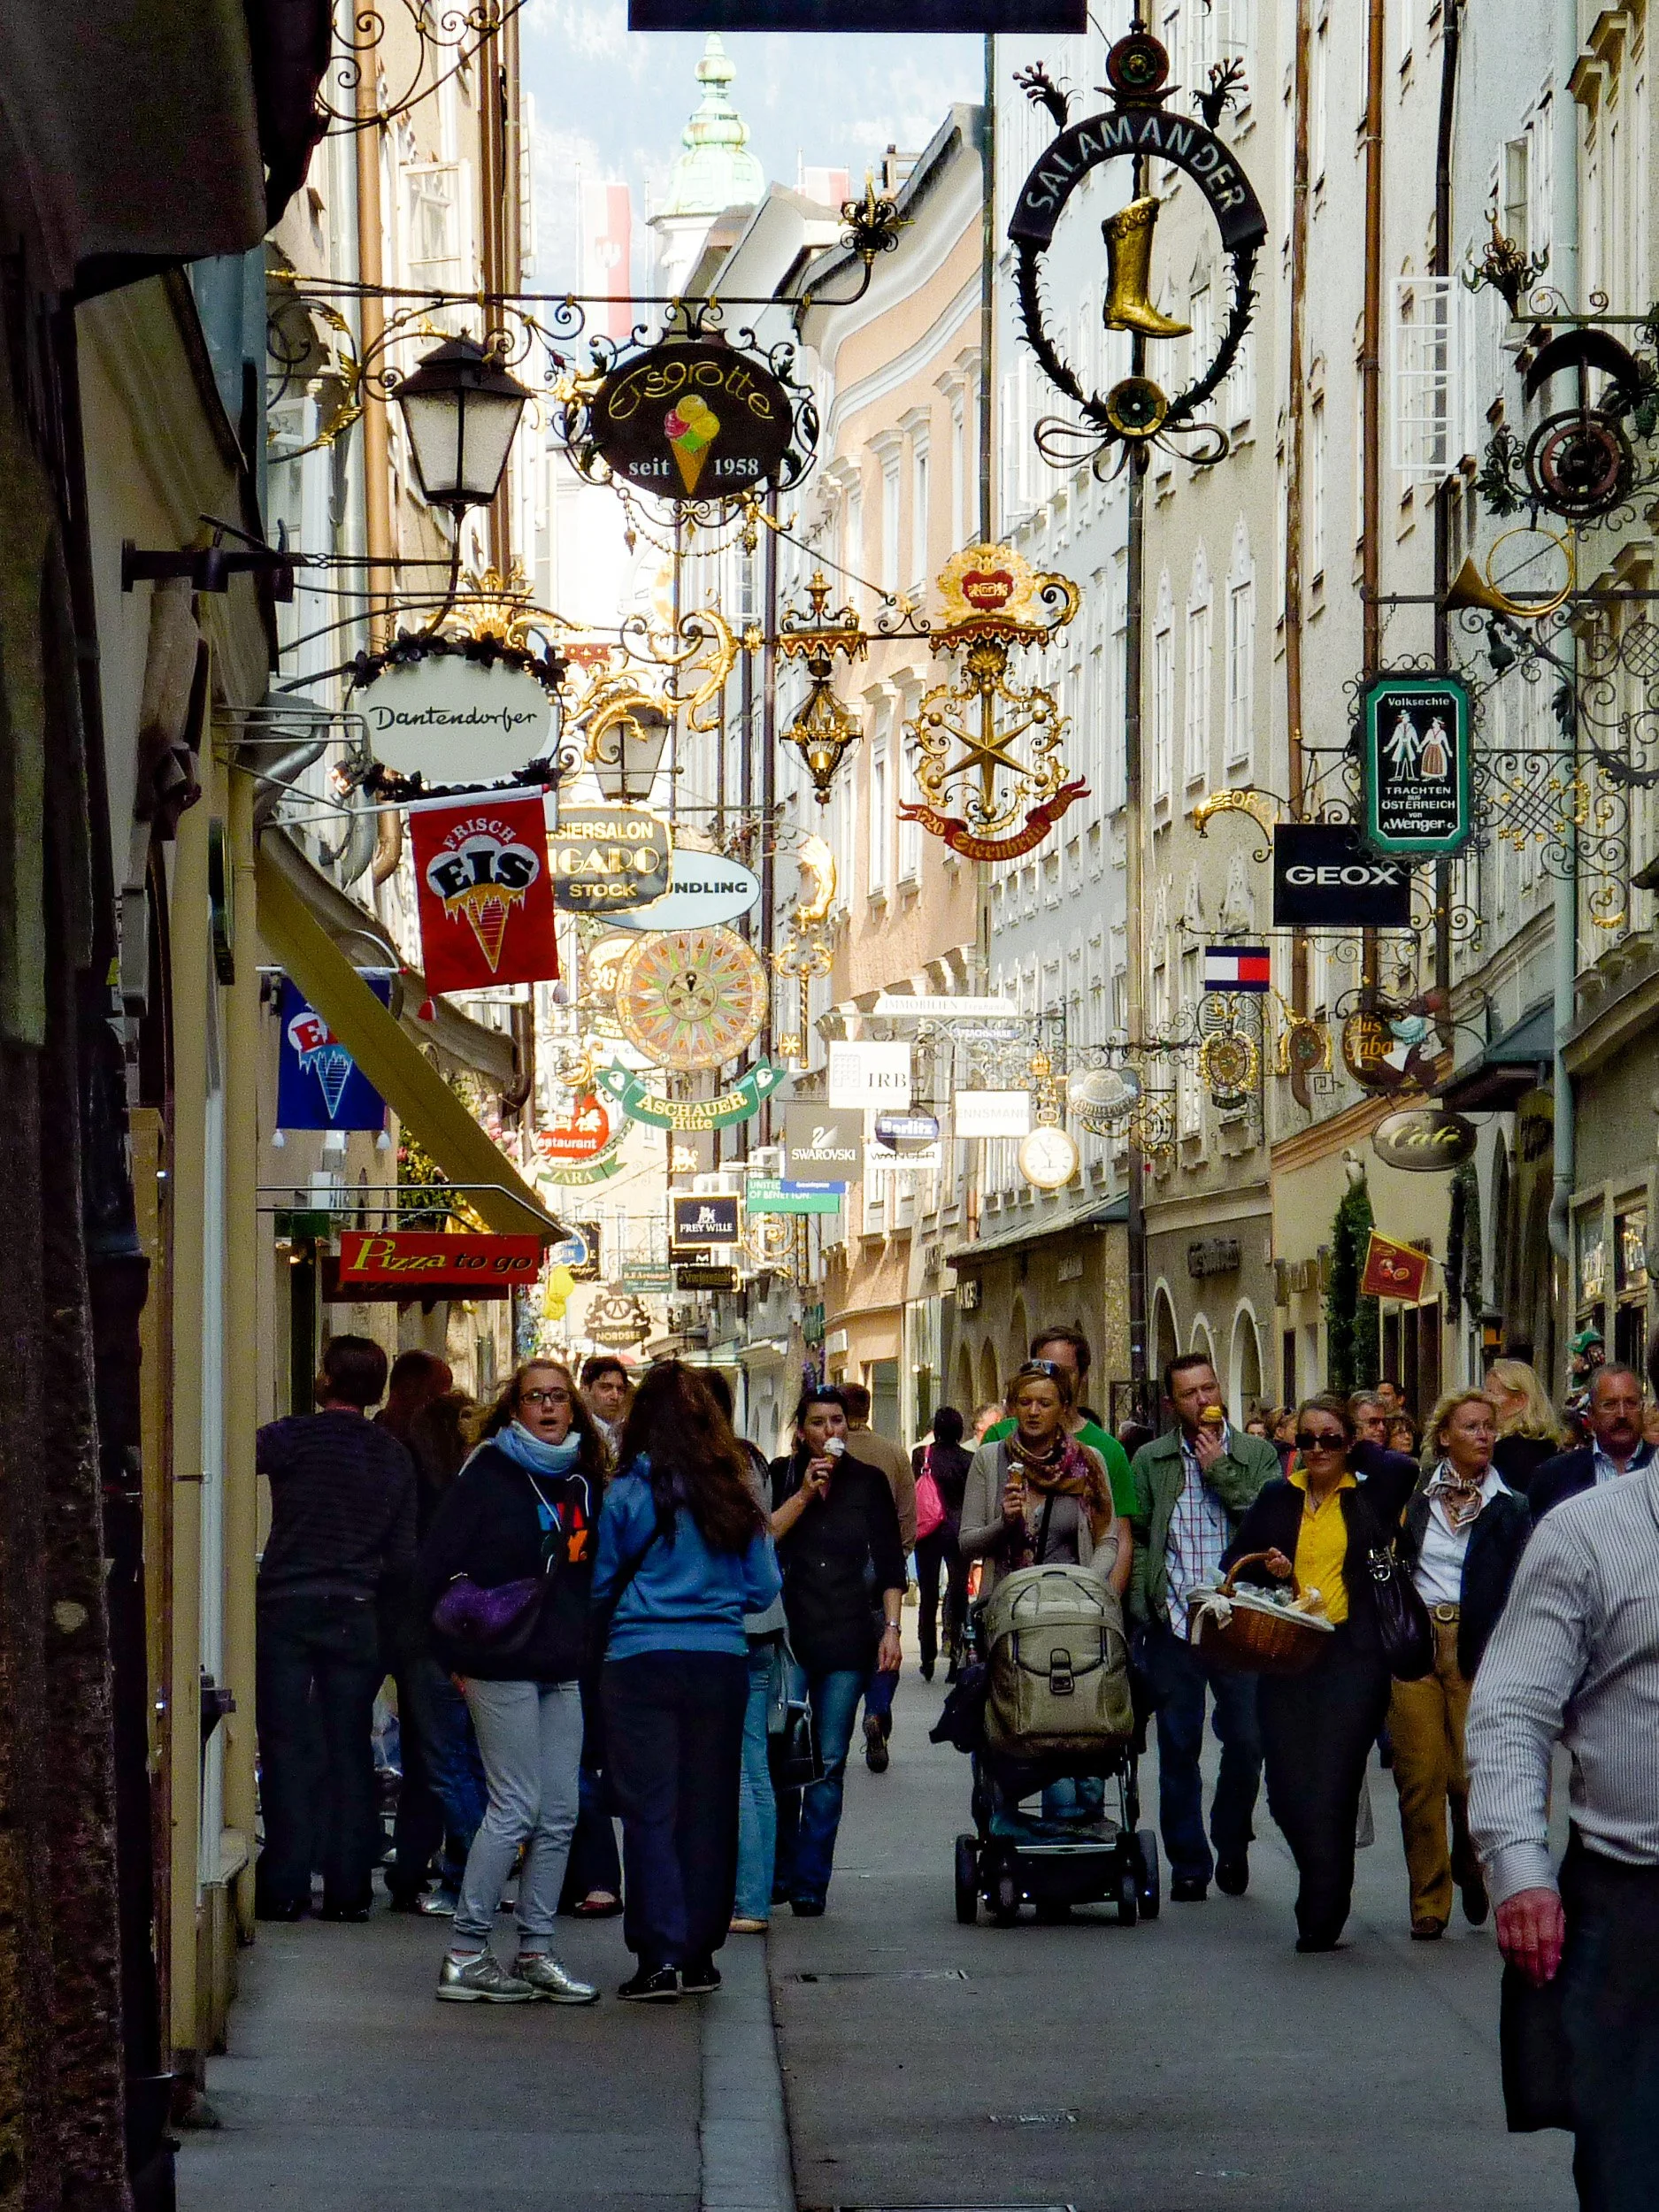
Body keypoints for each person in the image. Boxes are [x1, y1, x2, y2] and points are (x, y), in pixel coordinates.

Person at [1466, 1459, 1659, 2210]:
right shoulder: (1584, 1535)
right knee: (1630, 2163)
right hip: (1634, 1900)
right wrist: (1519, 1868)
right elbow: (1512, 1708)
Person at [417, 1360, 605, 2005]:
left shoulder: (582, 1478)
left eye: (558, 1398)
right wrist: (453, 1655)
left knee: (560, 1813)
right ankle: (466, 1952)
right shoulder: (489, 1474)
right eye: (534, 1399)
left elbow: (586, 1575)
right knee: (515, 1806)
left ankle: (535, 1951)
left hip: (559, 1662)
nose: (548, 1408)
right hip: (497, 1660)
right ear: (513, 1409)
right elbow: (436, 1567)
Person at [595, 1362, 781, 2001]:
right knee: (709, 1807)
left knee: (650, 1811)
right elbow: (763, 1589)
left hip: (638, 1662)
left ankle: (659, 1955)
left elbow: (600, 1585)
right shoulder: (732, 1491)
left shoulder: (622, 1494)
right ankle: (700, 1952)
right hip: (719, 1662)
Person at [1224, 1395, 1405, 1953]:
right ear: (1293, 1446)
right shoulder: (1280, 1497)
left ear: (1349, 1443)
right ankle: (1320, 1871)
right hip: (1289, 1654)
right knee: (1285, 1788)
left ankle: (1322, 1907)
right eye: (1307, 1440)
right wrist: (1278, 1574)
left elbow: (1406, 1466)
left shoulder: (1369, 1491)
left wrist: (1362, 1441)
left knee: (1333, 1783)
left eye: (1331, 1439)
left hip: (1353, 1657)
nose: (1318, 1450)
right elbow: (1241, 1564)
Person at [255, 1335, 417, 1923]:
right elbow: (403, 1556)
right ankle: (349, 1889)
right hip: (355, 1608)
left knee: (286, 1745)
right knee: (349, 1746)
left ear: (325, 1380)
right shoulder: (392, 1455)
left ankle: (286, 1882)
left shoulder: (292, 1436)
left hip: (288, 1604)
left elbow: (230, 1457)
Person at [1127, 1355, 1279, 1901]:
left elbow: (1267, 1523)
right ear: (1173, 1403)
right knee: (1177, 1744)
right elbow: (1140, 1535)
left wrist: (1220, 1470)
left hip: (1240, 1621)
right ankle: (1188, 1861)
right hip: (1175, 1620)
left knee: (1247, 1739)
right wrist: (1145, 1605)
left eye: (1208, 1387)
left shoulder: (1257, 1454)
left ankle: (1232, 1838)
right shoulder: (1152, 1459)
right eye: (1188, 1393)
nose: (1202, 1400)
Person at [1388, 1389, 1531, 1940]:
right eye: (1470, 1426)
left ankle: (1471, 1867)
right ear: (1444, 1436)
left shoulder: (1510, 1506)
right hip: (1417, 1640)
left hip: (1476, 1646)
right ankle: (1428, 1900)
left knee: (1470, 1781)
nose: (1483, 1436)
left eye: (1489, 1427)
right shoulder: (1415, 1494)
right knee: (1421, 1776)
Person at [769, 1386, 907, 1915]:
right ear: (801, 1431)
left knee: (827, 1763)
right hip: (789, 1638)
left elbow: (891, 1565)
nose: (831, 1432)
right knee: (781, 1757)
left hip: (848, 1637)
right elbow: (764, 1541)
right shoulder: (784, 1475)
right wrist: (803, 1493)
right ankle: (778, 1870)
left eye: (838, 1422)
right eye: (819, 1423)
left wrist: (892, 1630)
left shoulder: (868, 1483)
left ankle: (810, 1881)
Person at [388, 1388, 488, 1917]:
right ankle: (461, 1876)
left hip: (428, 1640)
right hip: (480, 1638)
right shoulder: (483, 1490)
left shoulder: (417, 1488)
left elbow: (408, 1567)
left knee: (443, 1763)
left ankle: (470, 1878)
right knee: (470, 1761)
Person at [703, 1368, 787, 1936]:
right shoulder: (751, 1459)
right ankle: (754, 1896)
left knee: (737, 1768)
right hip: (761, 1624)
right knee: (754, 1767)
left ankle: (745, 1897)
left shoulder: (710, 1470)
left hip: (730, 1624)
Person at [959, 1363, 1129, 1602]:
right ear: (1013, 1409)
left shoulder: (1088, 1462)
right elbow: (967, 1545)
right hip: (1008, 1610)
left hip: (1071, 1609)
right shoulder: (989, 1459)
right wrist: (1004, 1524)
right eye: (1025, 1402)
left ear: (1064, 1408)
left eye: (1045, 1404)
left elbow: (1107, 1540)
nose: (1034, 1412)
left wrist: (1084, 1587)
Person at [1527, 1363, 1654, 1517]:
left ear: (1643, 1409)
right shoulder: (1554, 1477)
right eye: (1610, 1405)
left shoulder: (1656, 1465)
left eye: (1630, 1403)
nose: (1622, 1414)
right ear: (1591, 1414)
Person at [913, 1406, 972, 1683]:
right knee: (958, 1591)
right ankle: (956, 1653)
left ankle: (927, 1655)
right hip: (958, 1531)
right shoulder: (968, 1459)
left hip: (928, 1531)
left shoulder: (921, 1456)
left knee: (927, 1595)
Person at [1484, 1358, 1563, 1498]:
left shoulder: (1501, 1455)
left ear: (1519, 1401)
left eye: (1492, 1393)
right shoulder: (1554, 1450)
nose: (1484, 1400)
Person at [581, 1354, 634, 1453]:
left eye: (620, 1390)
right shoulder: (579, 1434)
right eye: (606, 1388)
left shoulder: (629, 1432)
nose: (615, 1396)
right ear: (586, 1389)